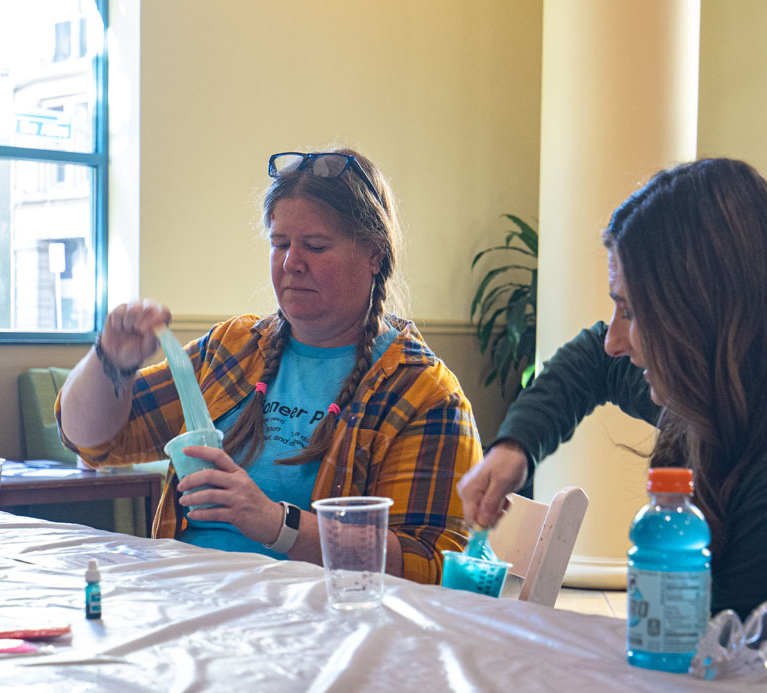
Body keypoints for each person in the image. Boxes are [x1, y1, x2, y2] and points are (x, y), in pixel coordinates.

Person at [458, 158, 767, 664]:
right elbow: (593, 358)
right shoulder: (742, 400)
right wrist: (514, 448)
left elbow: (711, 688)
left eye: (633, 312)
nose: (616, 339)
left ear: (701, 319)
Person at [58, 148, 481, 584]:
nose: (291, 263)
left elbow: (431, 566)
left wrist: (277, 525)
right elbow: (91, 441)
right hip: (188, 599)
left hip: (320, 627)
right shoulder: (234, 349)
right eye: (280, 243)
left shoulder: (423, 393)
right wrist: (111, 360)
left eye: (316, 246)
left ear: (374, 253)